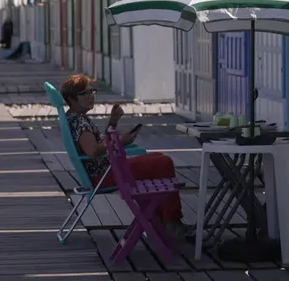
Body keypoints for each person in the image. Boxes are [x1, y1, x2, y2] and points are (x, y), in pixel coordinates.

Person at [61, 75, 193, 238]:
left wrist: (113, 121)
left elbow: (99, 142)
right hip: (105, 175)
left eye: (92, 91)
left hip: (108, 169)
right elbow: (93, 151)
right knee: (163, 162)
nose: (91, 96)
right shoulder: (79, 123)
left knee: (158, 158)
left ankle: (162, 219)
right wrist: (121, 142)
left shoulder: (76, 118)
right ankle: (171, 222)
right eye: (85, 93)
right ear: (71, 99)